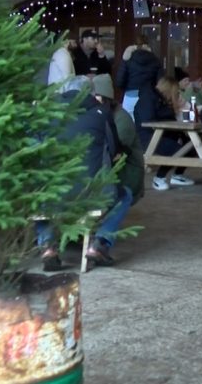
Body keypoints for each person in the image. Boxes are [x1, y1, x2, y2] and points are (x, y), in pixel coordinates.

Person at [37, 76, 131, 270]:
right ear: (90, 93)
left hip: (52, 191)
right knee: (125, 195)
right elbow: (114, 149)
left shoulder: (46, 113)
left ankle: (47, 246)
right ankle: (100, 244)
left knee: (39, 198)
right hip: (91, 192)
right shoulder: (102, 113)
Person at [134, 76, 194, 192]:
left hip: (164, 135)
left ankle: (178, 175)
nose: (176, 95)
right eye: (175, 92)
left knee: (191, 146)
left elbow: (166, 117)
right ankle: (159, 178)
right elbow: (148, 121)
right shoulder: (148, 99)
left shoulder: (160, 99)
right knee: (178, 150)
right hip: (148, 138)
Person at [93, 74, 144, 206]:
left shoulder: (122, 119)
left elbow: (115, 152)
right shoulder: (103, 115)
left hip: (128, 173)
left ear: (104, 98)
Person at [114, 35, 162, 118]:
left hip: (130, 95)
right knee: (146, 125)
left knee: (129, 125)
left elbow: (119, 81)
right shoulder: (155, 60)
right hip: (148, 96)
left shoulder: (127, 58)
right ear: (148, 45)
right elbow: (160, 82)